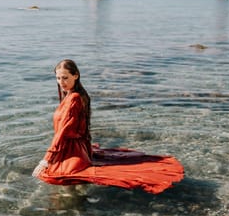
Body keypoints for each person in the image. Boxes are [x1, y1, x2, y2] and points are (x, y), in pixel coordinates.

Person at [33, 59, 184, 194]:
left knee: (62, 187)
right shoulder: (75, 95)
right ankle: (79, 197)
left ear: (76, 75)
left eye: (65, 77)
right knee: (68, 188)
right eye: (58, 78)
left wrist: (46, 159)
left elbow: (63, 132)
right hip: (73, 150)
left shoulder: (74, 98)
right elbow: (80, 128)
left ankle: (75, 205)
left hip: (71, 153)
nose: (61, 82)